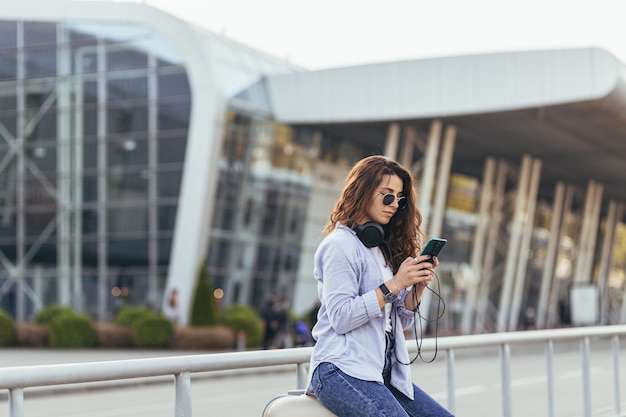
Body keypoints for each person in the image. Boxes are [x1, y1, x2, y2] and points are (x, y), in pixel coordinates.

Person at [305, 155, 454, 417]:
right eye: (387, 195)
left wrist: (415, 288)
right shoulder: (339, 245)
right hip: (340, 368)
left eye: (399, 198)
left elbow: (396, 322)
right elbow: (340, 317)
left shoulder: (380, 250)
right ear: (362, 191)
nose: (394, 204)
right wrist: (394, 284)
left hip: (381, 370)